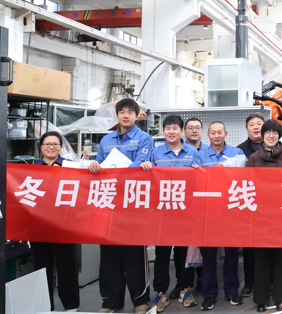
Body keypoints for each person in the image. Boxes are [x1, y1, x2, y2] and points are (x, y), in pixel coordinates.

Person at [89, 98, 153, 314]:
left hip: (133, 205)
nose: (126, 116)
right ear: (116, 115)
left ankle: (140, 301)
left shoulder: (144, 139)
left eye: (130, 112)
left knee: (134, 254)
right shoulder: (106, 140)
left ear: (137, 115)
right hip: (109, 205)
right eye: (122, 112)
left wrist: (114, 174)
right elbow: (99, 166)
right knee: (109, 256)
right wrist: (94, 166)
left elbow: (138, 166)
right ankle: (110, 301)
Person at [141, 115, 201, 311]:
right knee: (162, 253)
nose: (171, 132)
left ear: (181, 131)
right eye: (167, 128)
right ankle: (161, 293)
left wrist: (197, 170)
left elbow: (200, 180)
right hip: (162, 213)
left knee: (184, 253)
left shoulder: (192, 152)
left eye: (175, 128)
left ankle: (186, 289)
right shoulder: (156, 153)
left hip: (185, 212)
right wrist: (146, 167)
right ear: (163, 131)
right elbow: (147, 180)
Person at [246, 119, 282, 312]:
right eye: (268, 132)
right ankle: (261, 299)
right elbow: (246, 186)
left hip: (281, 217)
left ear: (278, 136)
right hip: (260, 217)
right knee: (261, 259)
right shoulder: (253, 159)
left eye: (275, 133)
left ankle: (279, 298)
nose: (271, 135)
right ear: (263, 135)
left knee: (281, 259)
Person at [197, 121, 246, 311]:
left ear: (226, 133)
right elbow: (195, 181)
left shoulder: (237, 153)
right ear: (208, 135)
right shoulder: (199, 155)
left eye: (220, 132)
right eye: (213, 133)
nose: (216, 136)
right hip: (207, 213)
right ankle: (209, 294)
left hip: (231, 212)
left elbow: (244, 179)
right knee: (208, 256)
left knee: (231, 254)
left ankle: (231, 290)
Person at [31, 131, 80, 312]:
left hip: (64, 225)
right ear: (41, 146)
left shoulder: (70, 166)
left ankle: (71, 305)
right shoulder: (32, 169)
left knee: (67, 265)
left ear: (61, 147)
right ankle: (45, 306)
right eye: (47, 144)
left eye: (55, 144)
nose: (51, 147)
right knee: (42, 267)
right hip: (40, 226)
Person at [236, 113, 265, 298]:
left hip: (269, 205)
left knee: (268, 245)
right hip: (248, 203)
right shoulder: (239, 151)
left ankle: (268, 281)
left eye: (259, 124)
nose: (256, 127)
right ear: (247, 129)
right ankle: (249, 282)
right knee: (249, 247)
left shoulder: (275, 147)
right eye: (252, 124)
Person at [182, 117, 206, 295]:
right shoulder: (179, 150)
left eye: (197, 127)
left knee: (202, 245)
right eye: (190, 127)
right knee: (182, 248)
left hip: (202, 207)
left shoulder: (208, 152)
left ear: (202, 131)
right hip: (181, 205)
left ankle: (202, 281)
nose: (194, 130)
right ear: (184, 131)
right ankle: (183, 285)